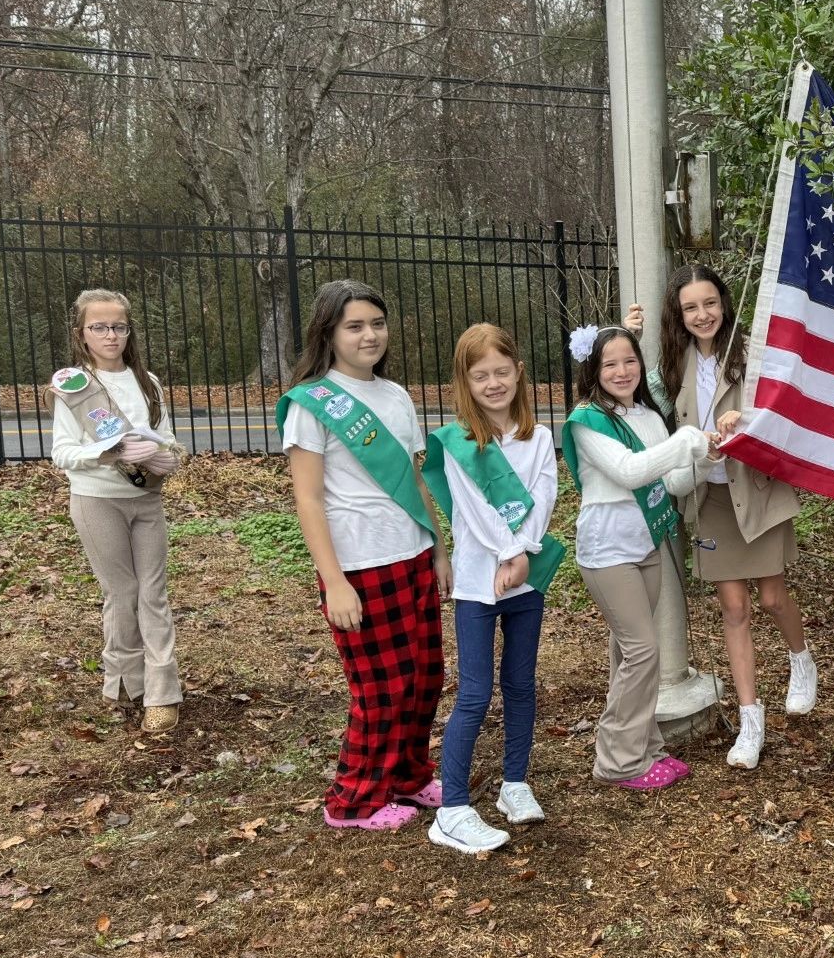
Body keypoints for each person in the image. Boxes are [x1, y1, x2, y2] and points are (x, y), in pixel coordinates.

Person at [626, 265, 815, 771]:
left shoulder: (750, 351)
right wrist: (633, 337)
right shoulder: (674, 362)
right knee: (734, 609)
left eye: (709, 303)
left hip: (754, 492)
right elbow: (634, 393)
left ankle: (801, 660)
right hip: (709, 500)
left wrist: (745, 420)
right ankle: (752, 721)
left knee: (772, 595)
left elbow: (785, 408)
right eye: (690, 307)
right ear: (680, 315)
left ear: (724, 304)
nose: (701, 314)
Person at [277, 280, 448, 832]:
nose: (369, 334)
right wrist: (335, 581)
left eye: (376, 323)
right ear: (329, 333)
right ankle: (353, 800)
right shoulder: (314, 403)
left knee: (424, 676)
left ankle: (409, 775)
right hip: (359, 565)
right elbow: (307, 497)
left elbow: (416, 478)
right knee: (380, 687)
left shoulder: (396, 395)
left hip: (413, 554)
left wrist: (439, 547)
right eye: (354, 326)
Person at [419, 323, 564, 854]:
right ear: (465, 381)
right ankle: (452, 807)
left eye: (502, 372)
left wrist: (523, 552)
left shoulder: (541, 436)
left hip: (524, 581)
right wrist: (511, 553)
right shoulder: (460, 442)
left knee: (521, 684)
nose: (494, 383)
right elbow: (473, 513)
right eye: (481, 375)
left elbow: (543, 495)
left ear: (519, 373)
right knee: (476, 693)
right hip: (482, 581)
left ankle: (514, 784)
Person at [560, 323, 717, 790]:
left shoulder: (648, 418)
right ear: (593, 369)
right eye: (610, 363)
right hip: (607, 551)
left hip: (645, 545)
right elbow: (629, 472)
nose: (622, 371)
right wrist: (686, 439)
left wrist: (705, 459)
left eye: (630, 361)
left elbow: (670, 483)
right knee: (644, 651)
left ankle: (643, 745)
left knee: (629, 653)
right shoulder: (587, 420)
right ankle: (617, 761)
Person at [49, 289, 186, 730]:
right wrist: (111, 454)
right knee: (122, 594)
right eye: (100, 327)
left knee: (154, 594)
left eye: (119, 326)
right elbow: (63, 453)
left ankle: (163, 692)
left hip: (146, 499)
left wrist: (168, 457)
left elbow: (166, 439)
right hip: (96, 500)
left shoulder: (149, 382)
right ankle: (127, 682)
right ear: (81, 333)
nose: (111, 335)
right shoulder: (75, 387)